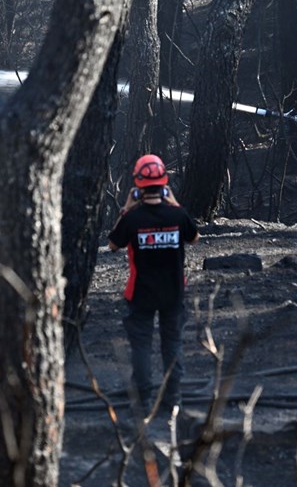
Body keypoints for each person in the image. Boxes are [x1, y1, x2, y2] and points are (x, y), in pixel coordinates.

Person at [108, 154, 199, 417]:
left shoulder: (132, 219)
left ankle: (144, 402)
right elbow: (194, 239)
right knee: (172, 345)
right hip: (174, 293)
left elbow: (113, 244)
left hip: (141, 294)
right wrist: (174, 204)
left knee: (142, 347)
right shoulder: (178, 214)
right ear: (164, 182)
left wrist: (126, 207)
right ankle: (174, 400)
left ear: (137, 184)